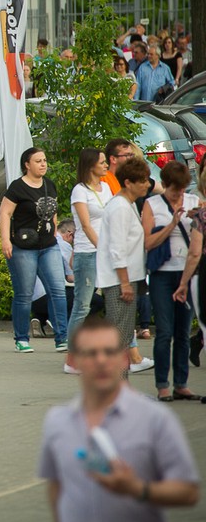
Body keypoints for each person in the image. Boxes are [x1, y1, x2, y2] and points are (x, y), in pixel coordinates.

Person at [38, 318, 200, 522]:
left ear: (125, 359)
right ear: (76, 361)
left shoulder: (155, 419)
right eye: (91, 353)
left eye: (109, 352)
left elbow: (189, 492)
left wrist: (138, 489)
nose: (101, 360)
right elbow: (56, 488)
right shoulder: (58, 422)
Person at [142, 162, 202, 402]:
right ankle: (162, 385)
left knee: (183, 330)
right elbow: (148, 242)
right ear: (164, 185)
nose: (179, 194)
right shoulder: (152, 204)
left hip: (188, 272)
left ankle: (181, 383)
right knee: (165, 331)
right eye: (174, 189)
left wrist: (195, 216)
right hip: (162, 274)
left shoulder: (192, 201)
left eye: (182, 189)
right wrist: (172, 224)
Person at [0, 147, 68, 353]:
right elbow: (5, 212)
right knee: (24, 293)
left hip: (48, 246)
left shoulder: (49, 185)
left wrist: (54, 232)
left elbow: (53, 212)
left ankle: (62, 337)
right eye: (38, 161)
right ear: (27, 165)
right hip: (23, 247)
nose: (43, 164)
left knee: (58, 291)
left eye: (45, 160)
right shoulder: (17, 187)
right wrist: (5, 240)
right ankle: (21, 338)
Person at [96, 157, 155, 373]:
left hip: (125, 279)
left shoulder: (125, 204)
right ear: (128, 182)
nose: (147, 185)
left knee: (122, 335)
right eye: (143, 181)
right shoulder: (120, 207)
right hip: (119, 280)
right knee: (118, 338)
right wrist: (125, 283)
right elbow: (117, 248)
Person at [68, 148, 113, 340]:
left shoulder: (107, 188)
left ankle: (127, 351)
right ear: (90, 165)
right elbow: (86, 225)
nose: (106, 165)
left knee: (115, 302)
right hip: (88, 252)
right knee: (82, 305)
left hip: (107, 251)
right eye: (102, 162)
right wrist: (101, 248)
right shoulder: (80, 190)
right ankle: (73, 353)